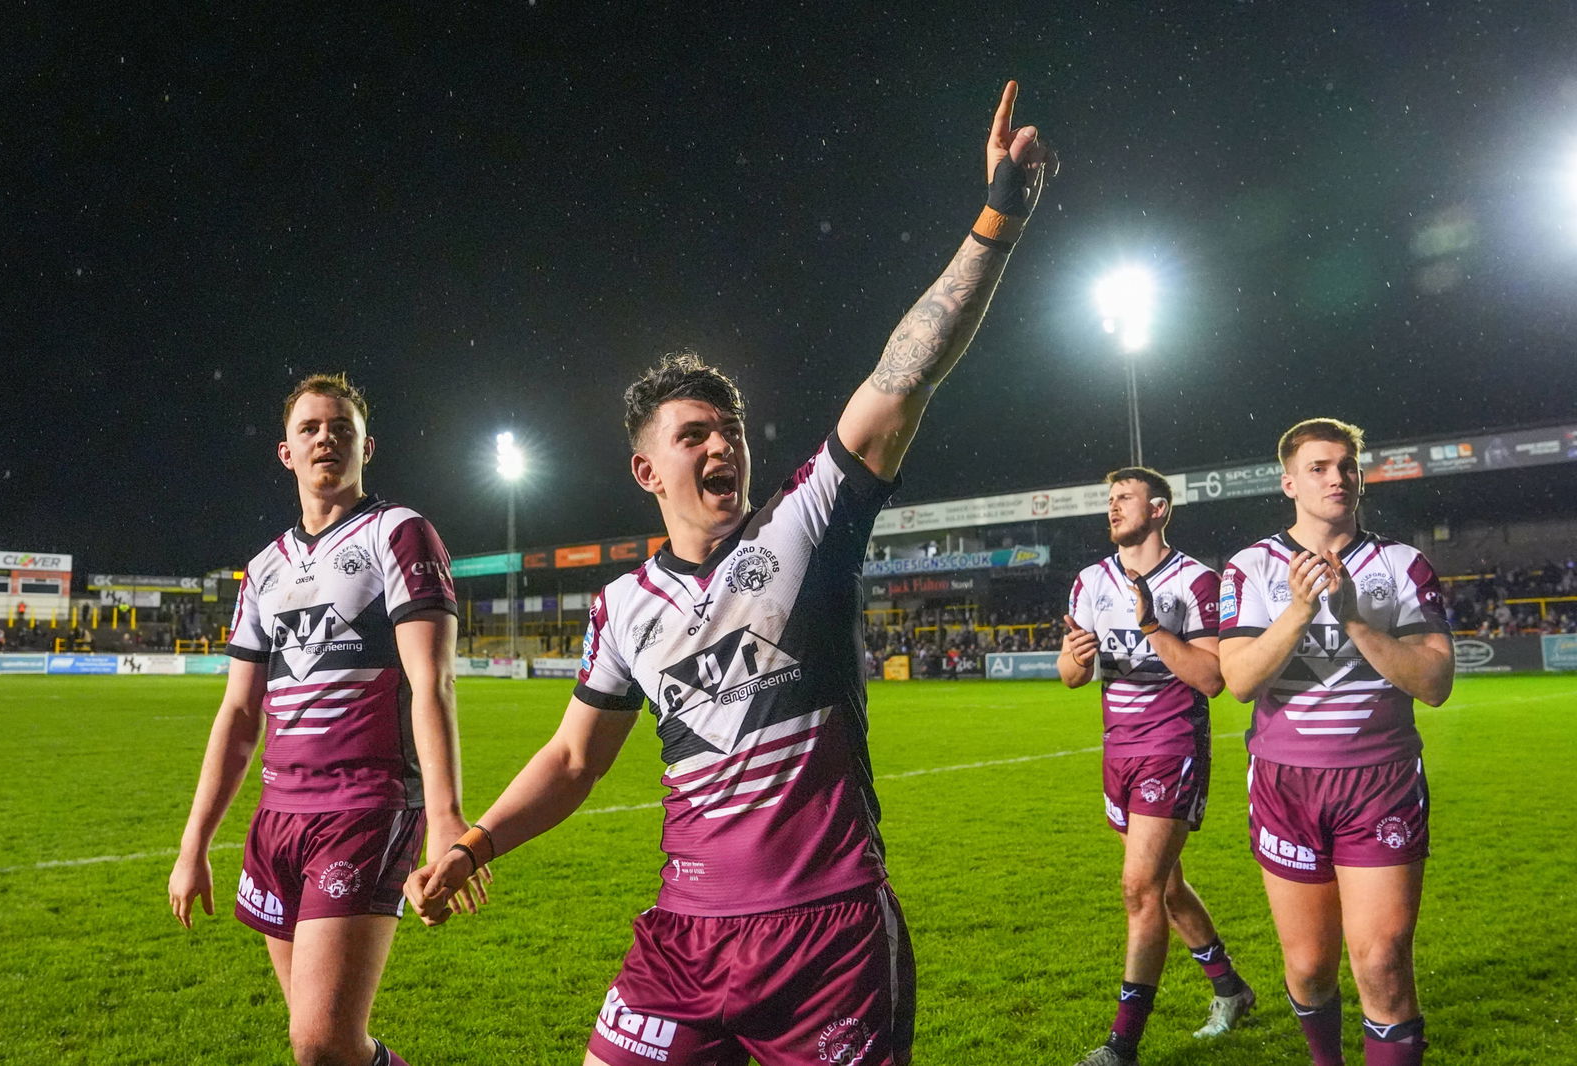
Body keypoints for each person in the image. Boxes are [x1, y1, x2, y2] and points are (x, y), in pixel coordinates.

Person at [405, 80, 1056, 1066]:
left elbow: (902, 376)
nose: (721, 447)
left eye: (731, 429)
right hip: (684, 941)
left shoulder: (806, 524)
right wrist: (472, 841)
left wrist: (996, 219)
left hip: (826, 936)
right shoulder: (623, 606)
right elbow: (576, 758)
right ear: (645, 469)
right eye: (693, 433)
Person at [168, 373, 489, 1066]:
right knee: (327, 1051)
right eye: (310, 429)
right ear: (285, 451)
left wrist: (445, 817)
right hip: (277, 819)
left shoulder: (397, 534)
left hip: (364, 808)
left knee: (319, 1042)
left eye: (340, 428)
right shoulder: (262, 570)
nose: (325, 439)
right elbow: (238, 712)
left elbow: (432, 680)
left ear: (365, 447)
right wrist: (195, 843)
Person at [1217, 418, 1453, 1066]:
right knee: (1309, 969)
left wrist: (1351, 614)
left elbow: (1435, 683)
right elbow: (1236, 679)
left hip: (1380, 783)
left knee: (1381, 961)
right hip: (1285, 784)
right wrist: (1299, 608)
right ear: (1289, 481)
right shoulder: (1252, 567)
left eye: (1347, 465)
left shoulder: (1401, 565)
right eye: (1319, 467)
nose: (1337, 477)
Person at [1057, 468, 1254, 1066]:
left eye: (1125, 498)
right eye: (1109, 499)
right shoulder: (1090, 580)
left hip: (1172, 745)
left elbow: (1212, 678)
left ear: (1159, 509)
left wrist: (1149, 624)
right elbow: (1073, 678)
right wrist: (1073, 656)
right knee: (1165, 886)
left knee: (1139, 887)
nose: (1113, 508)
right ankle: (1230, 988)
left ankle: (1122, 1044)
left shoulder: (1197, 581)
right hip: (1117, 747)